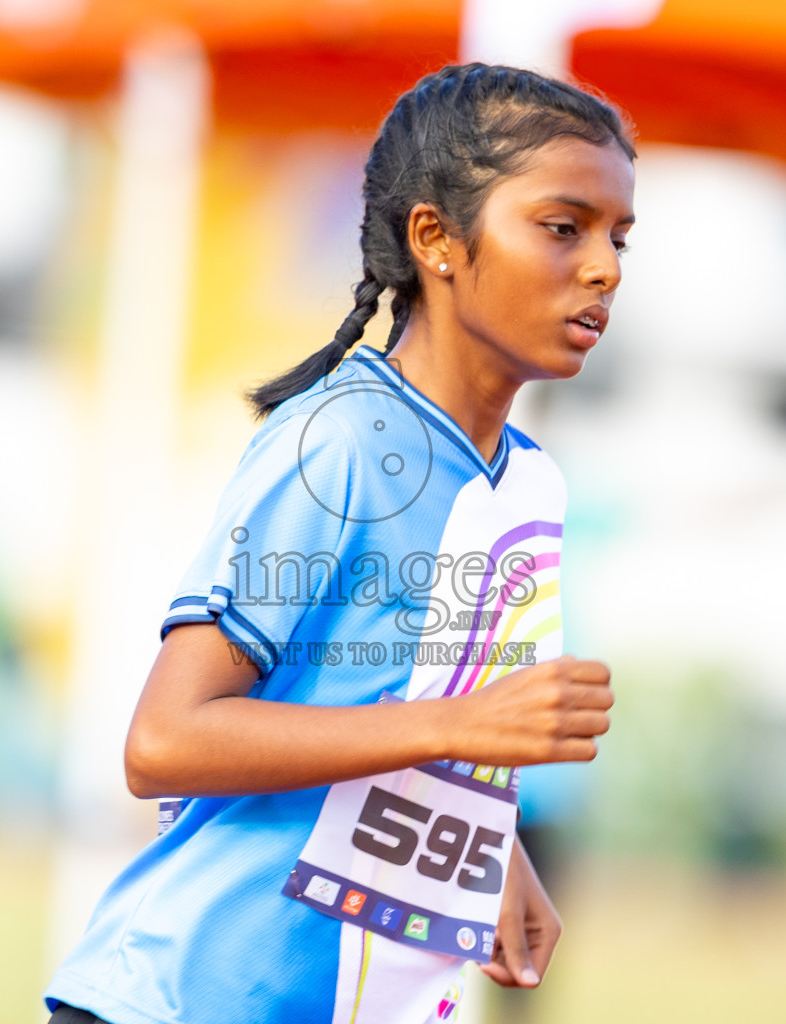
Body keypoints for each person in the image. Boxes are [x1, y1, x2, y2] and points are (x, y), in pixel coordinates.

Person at [44, 63, 634, 1024]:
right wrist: (463, 728)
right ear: (436, 239)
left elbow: (406, 702)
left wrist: (491, 848)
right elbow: (165, 739)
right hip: (187, 998)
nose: (605, 267)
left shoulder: (529, 483)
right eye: (563, 227)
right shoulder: (341, 443)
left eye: (619, 236)